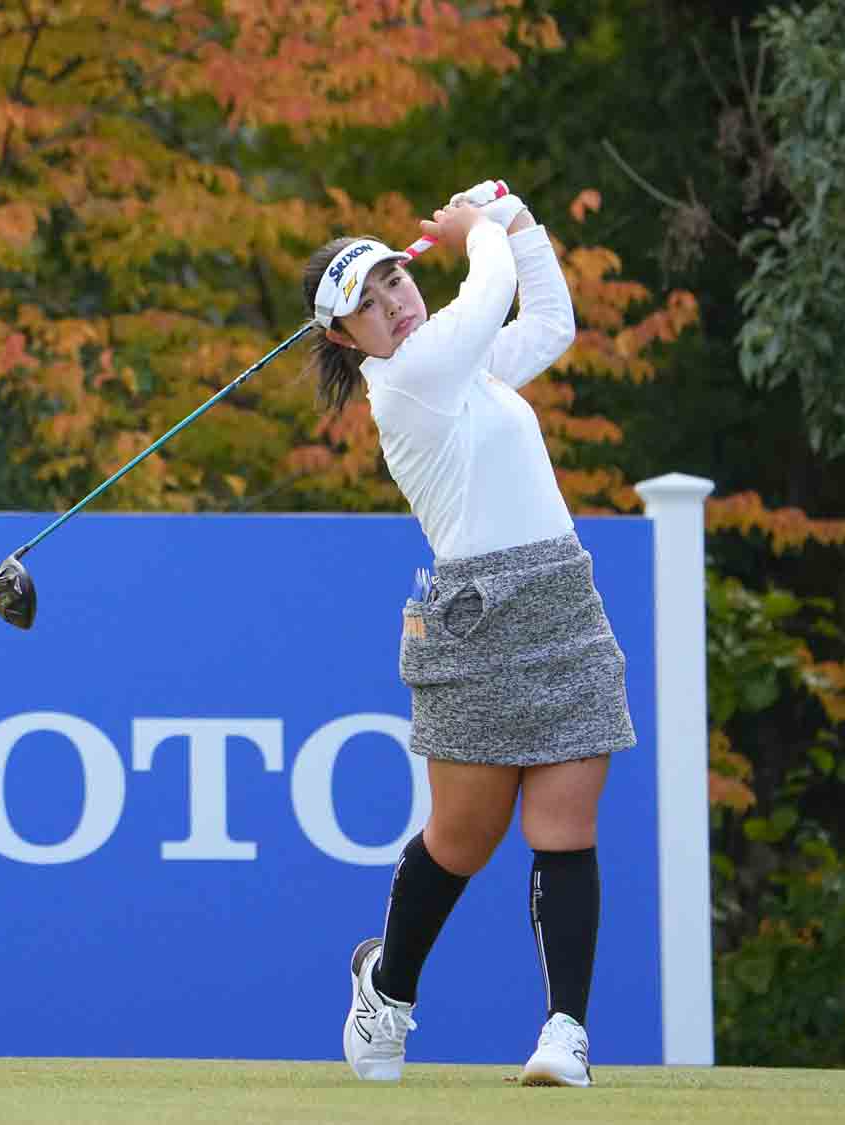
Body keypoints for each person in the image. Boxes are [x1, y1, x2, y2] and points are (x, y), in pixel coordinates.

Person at [299, 182, 635, 1088]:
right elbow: (485, 295)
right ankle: (387, 987)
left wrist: (519, 223)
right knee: (463, 839)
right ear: (345, 340)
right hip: (477, 619)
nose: (391, 307)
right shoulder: (408, 379)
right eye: (365, 308)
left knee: (564, 827)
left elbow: (550, 321)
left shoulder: (468, 371)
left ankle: (566, 1031)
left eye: (393, 284)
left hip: (562, 600)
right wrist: (479, 230)